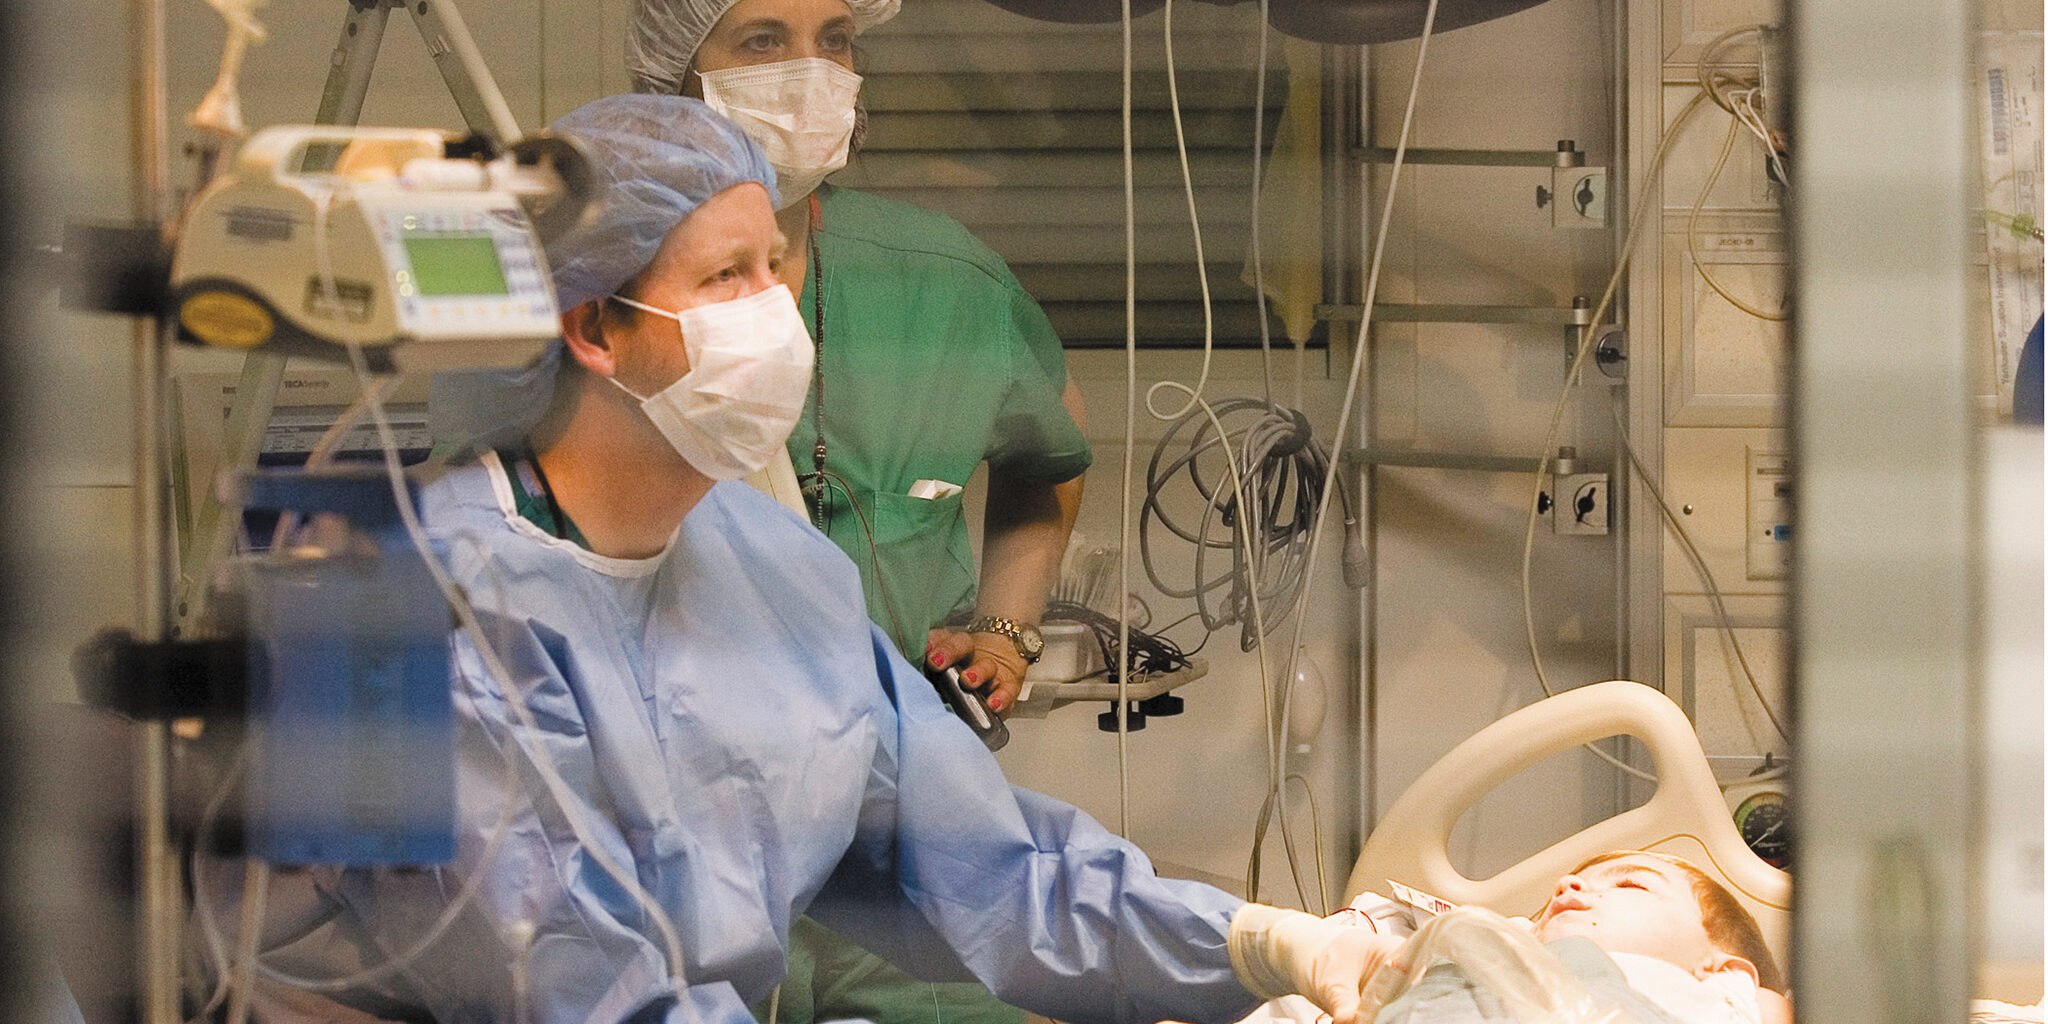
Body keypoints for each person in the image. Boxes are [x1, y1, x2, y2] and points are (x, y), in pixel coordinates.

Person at [230, 94, 1382, 1024]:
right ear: (594, 328)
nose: (775, 313)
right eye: (723, 279)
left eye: (773, 266)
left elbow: (989, 872)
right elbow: (578, 985)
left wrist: (1260, 944)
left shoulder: (770, 567)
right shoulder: (412, 612)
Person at [628, 0, 1091, 719]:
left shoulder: (938, 278)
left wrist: (1006, 635)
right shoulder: (599, 293)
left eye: (836, 41)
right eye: (762, 41)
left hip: (901, 749)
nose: (810, 74)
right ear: (673, 74)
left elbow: (1052, 447)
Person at [1249, 851, 1789, 1024]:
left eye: (1630, 883)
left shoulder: (1727, 1001)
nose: (1569, 883)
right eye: (1573, 878)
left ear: (1723, 973)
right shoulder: (1472, 951)